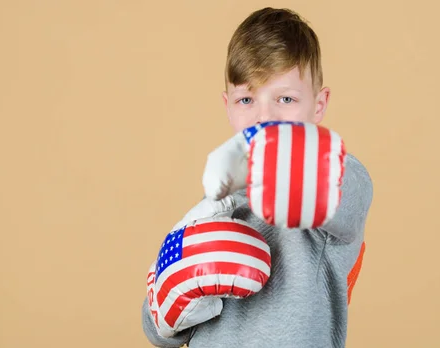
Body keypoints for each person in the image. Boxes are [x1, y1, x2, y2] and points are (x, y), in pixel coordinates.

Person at [141, 7, 373, 348]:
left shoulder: (339, 178)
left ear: (318, 105)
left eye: (286, 99)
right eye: (247, 99)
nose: (265, 116)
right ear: (228, 106)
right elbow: (156, 330)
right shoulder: (214, 206)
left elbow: (343, 194)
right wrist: (167, 299)